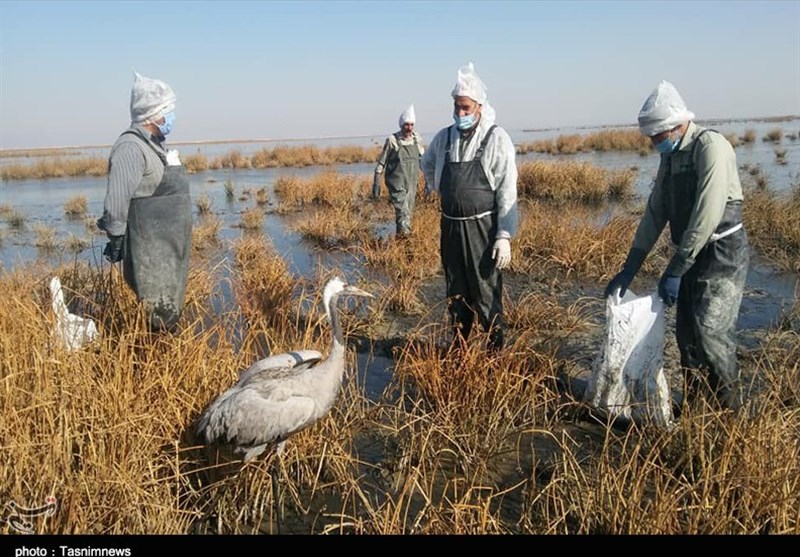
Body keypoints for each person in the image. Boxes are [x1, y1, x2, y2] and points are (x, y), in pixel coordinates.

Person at [604, 80, 749, 412]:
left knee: (711, 334)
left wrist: (675, 269)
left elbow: (707, 214)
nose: (655, 143)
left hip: (722, 254)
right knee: (687, 337)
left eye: (658, 136)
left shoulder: (710, 147)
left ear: (676, 125)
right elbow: (656, 211)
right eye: (652, 138)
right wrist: (631, 266)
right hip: (690, 255)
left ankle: (730, 415)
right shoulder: (670, 158)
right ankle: (697, 411)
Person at [421, 63, 518, 351]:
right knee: (456, 291)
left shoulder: (495, 139)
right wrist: (432, 184)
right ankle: (460, 349)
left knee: (485, 291)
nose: (460, 113)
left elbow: (507, 190)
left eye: (466, 108)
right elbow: (426, 163)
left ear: (479, 106)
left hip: (482, 230)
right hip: (450, 227)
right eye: (457, 107)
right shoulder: (444, 138)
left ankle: (493, 356)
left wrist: (503, 236)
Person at [97, 71, 192, 332]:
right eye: (169, 110)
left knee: (166, 311)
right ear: (154, 113)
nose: (172, 115)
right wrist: (116, 238)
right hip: (148, 251)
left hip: (167, 248)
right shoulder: (131, 147)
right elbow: (117, 200)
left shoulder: (156, 145)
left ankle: (163, 352)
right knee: (156, 317)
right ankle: (153, 360)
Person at [372, 104, 425, 237]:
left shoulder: (416, 139)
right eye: (406, 124)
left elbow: (423, 160)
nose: (409, 128)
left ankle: (400, 240)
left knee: (407, 213)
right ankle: (407, 243)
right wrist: (376, 184)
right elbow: (381, 164)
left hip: (412, 183)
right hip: (396, 184)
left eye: (412, 125)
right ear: (401, 125)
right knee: (403, 212)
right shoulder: (392, 140)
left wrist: (429, 181)